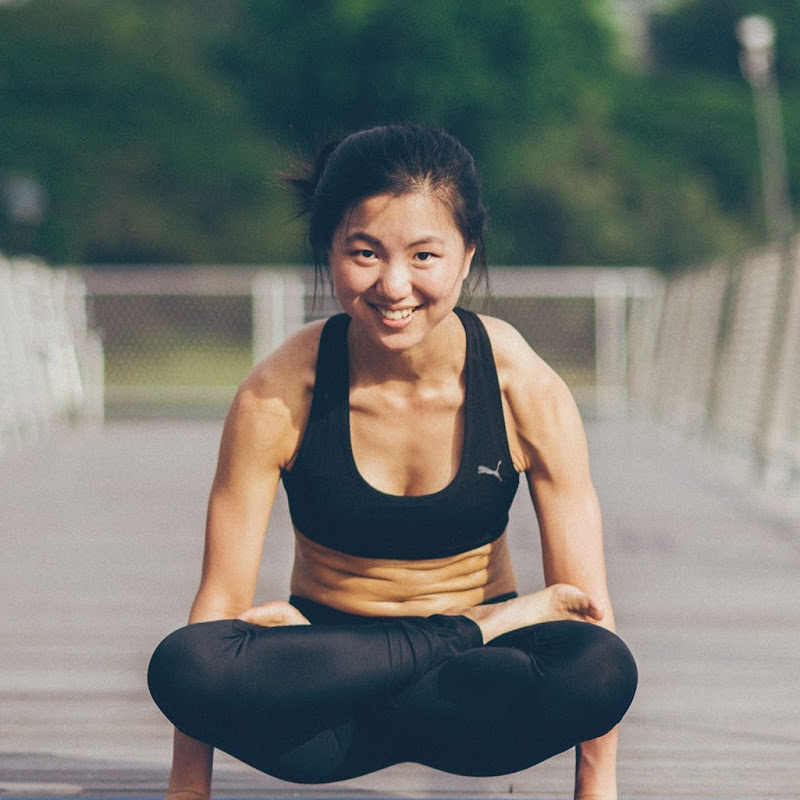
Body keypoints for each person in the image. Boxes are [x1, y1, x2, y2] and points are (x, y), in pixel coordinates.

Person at [147, 124, 637, 800]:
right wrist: (187, 788)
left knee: (601, 667)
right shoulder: (280, 391)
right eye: (366, 252)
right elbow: (219, 604)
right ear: (329, 251)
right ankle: (476, 627)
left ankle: (472, 633)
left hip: (466, 705)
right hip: (325, 705)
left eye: (424, 255)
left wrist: (597, 786)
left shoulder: (523, 386)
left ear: (467, 255)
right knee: (184, 664)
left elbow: (587, 608)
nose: (394, 285)